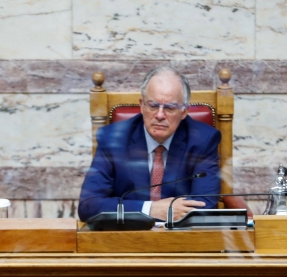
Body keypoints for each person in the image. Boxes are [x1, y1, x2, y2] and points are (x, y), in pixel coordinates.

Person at [77, 66, 222, 223]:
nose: (159, 115)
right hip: (126, 238)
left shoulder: (203, 140)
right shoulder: (112, 139)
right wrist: (150, 209)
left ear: (184, 111)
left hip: (180, 240)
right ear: (142, 105)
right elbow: (89, 206)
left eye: (170, 107)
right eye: (153, 105)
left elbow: (204, 207)